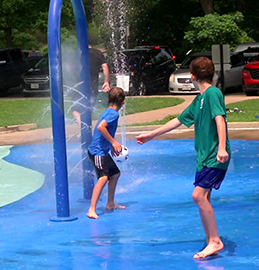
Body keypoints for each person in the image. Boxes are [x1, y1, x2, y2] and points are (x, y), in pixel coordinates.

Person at [136, 57, 230, 259]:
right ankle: (210, 240)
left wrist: (222, 148)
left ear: (192, 76)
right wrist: (151, 135)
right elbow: (177, 121)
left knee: (197, 196)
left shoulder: (213, 94)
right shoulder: (198, 101)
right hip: (204, 157)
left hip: (215, 156)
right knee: (204, 197)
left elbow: (220, 119)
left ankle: (215, 240)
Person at [86, 87, 127, 219]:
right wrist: (114, 142)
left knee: (115, 174)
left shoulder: (109, 111)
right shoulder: (113, 114)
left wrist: (110, 147)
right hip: (97, 152)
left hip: (102, 150)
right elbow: (100, 127)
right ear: (123, 101)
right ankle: (91, 209)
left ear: (109, 99)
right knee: (103, 178)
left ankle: (110, 203)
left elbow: (101, 132)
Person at [71, 44, 110, 124]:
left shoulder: (78, 53)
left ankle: (82, 125)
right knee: (88, 108)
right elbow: (105, 67)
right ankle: (86, 126)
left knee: (75, 108)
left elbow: (70, 68)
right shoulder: (98, 53)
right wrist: (106, 81)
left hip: (79, 85)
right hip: (92, 85)